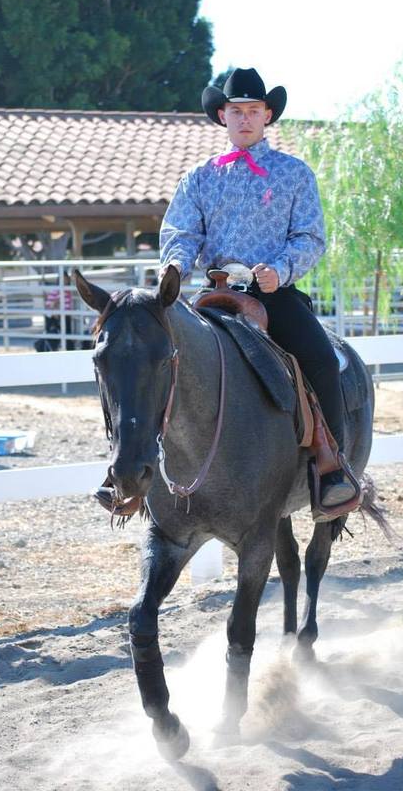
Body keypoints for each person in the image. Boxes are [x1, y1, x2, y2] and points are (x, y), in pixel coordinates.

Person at [159, 67, 356, 509]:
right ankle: (148, 469)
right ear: (222, 117)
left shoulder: (295, 174)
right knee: (156, 360)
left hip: (272, 293)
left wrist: (281, 270)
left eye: (253, 110)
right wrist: (174, 265)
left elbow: (311, 236)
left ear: (267, 115)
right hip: (213, 294)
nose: (244, 118)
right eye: (235, 111)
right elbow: (182, 233)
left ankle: (332, 468)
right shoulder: (199, 178)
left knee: (322, 360)